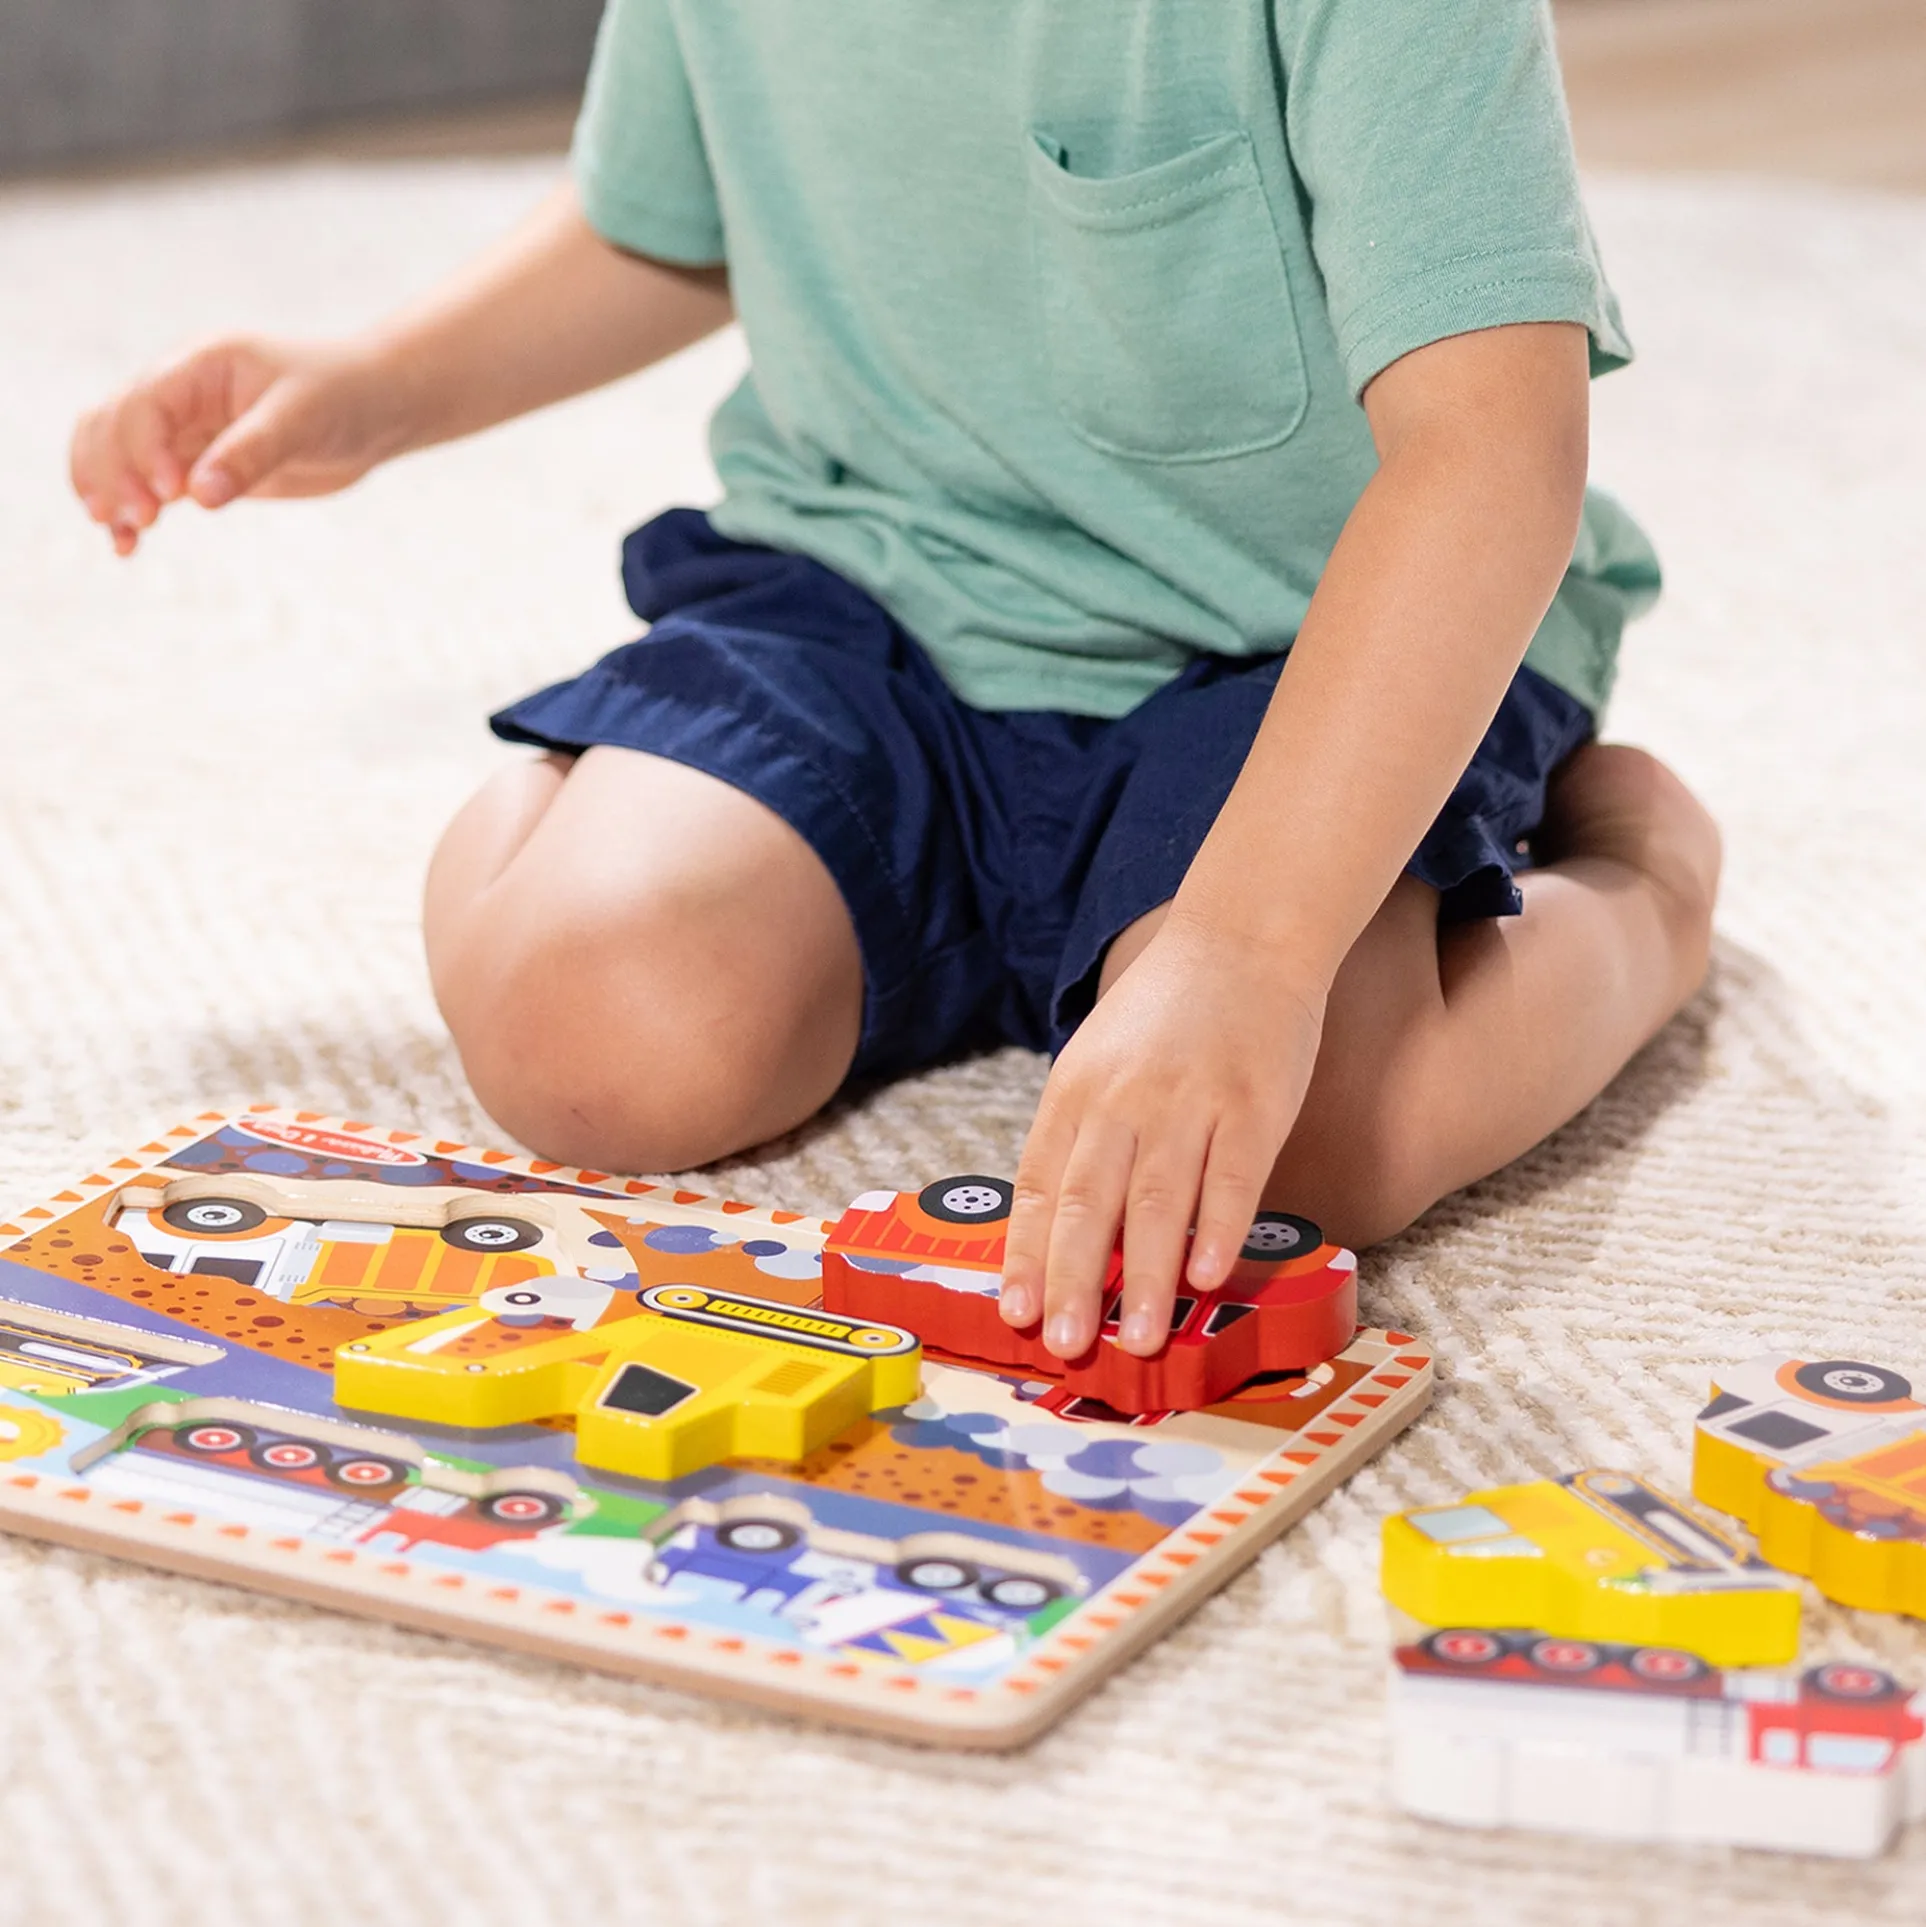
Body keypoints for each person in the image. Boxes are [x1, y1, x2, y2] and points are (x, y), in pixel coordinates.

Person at [68, 1, 1721, 1371]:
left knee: (1300, 1147)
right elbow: (660, 223)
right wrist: (375, 385)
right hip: (875, 595)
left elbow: (1489, 454)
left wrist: (1244, 955)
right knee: (588, 1024)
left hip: (1296, 651)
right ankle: (620, 792)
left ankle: (1642, 884)